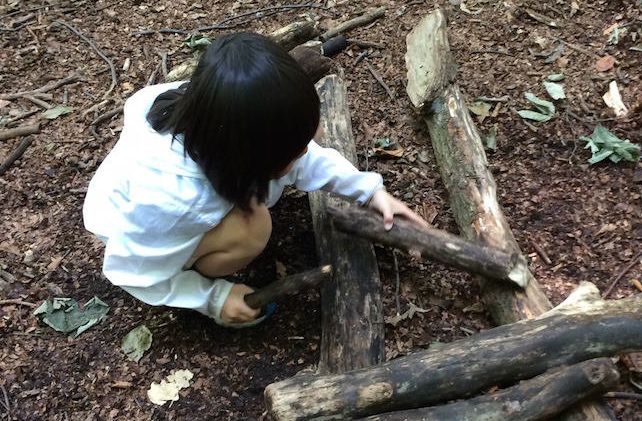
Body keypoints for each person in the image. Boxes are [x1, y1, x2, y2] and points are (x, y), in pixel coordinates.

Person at [83, 31, 425, 326]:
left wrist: (370, 191)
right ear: (247, 161)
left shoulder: (217, 110)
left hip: (157, 205)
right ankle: (197, 263)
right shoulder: (175, 200)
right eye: (292, 152)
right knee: (253, 227)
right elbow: (133, 273)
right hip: (135, 232)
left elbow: (306, 156)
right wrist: (213, 297)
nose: (306, 151)